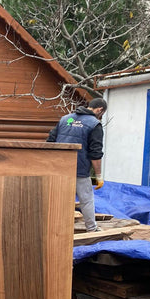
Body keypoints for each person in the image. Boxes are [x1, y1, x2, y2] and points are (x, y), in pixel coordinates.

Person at [47, 98, 107, 233]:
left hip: (59, 169)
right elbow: (96, 153)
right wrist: (99, 176)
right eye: (101, 114)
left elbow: (50, 142)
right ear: (100, 110)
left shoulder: (65, 119)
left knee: (58, 200)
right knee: (86, 200)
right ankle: (92, 229)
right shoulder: (94, 124)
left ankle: (54, 229)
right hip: (79, 170)